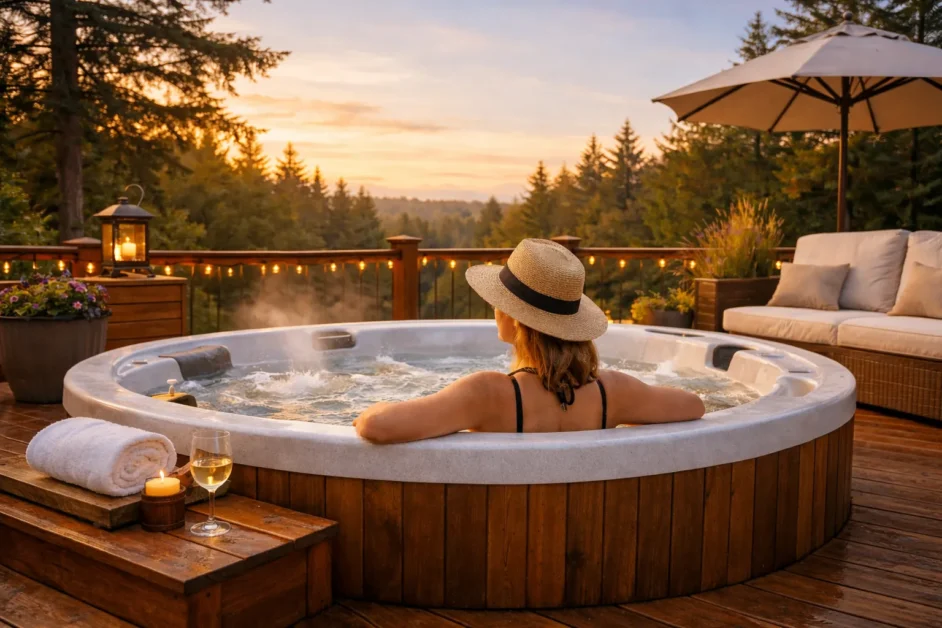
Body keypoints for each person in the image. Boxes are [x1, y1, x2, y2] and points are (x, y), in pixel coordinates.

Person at [354, 238, 705, 443]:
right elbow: (693, 405)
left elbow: (376, 425)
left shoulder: (487, 394)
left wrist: (364, 411)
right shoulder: (614, 392)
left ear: (514, 317)